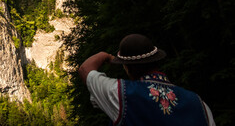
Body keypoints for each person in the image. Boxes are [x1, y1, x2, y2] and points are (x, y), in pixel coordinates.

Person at [78, 34, 215, 126]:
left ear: (127, 67)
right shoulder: (199, 104)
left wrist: (105, 55)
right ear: (156, 60)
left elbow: (85, 69)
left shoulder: (121, 94)